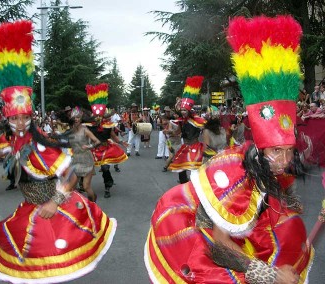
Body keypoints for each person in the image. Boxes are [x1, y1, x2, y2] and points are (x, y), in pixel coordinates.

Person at [145, 15, 311, 284]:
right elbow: (219, 246)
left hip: (239, 231)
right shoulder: (236, 175)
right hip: (200, 235)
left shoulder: (274, 164)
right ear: (259, 148)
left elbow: (275, 200)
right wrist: (269, 274)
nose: (285, 159)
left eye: (289, 150)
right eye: (276, 151)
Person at [0, 20, 116, 283]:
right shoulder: (10, 140)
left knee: (55, 266)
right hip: (30, 206)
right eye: (16, 119)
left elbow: (70, 174)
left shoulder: (40, 145)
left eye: (26, 118)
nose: (21, 124)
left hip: (55, 208)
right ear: (7, 120)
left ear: (32, 118)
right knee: (34, 266)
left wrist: (53, 202)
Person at [85, 83, 128, 198]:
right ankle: (82, 184)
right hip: (93, 149)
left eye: (100, 116)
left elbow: (113, 135)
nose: (98, 118)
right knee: (85, 167)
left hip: (106, 149)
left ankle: (107, 186)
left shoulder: (108, 125)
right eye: (96, 116)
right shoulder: (89, 125)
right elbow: (85, 136)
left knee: (105, 168)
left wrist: (120, 142)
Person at [167, 76, 206, 184]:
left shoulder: (197, 120)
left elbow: (206, 128)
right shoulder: (181, 121)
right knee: (181, 168)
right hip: (185, 146)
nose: (183, 112)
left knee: (194, 169)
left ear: (189, 110)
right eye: (182, 110)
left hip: (195, 146)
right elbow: (178, 132)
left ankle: (197, 187)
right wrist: (170, 133)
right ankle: (185, 184)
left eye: (185, 110)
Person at [66, 106, 100, 201]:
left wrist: (89, 146)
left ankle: (93, 203)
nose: (76, 119)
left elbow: (97, 141)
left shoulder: (85, 130)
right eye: (74, 118)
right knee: (71, 187)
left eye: (78, 118)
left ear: (81, 119)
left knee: (86, 187)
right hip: (76, 160)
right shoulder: (70, 130)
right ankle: (76, 208)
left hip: (86, 160)